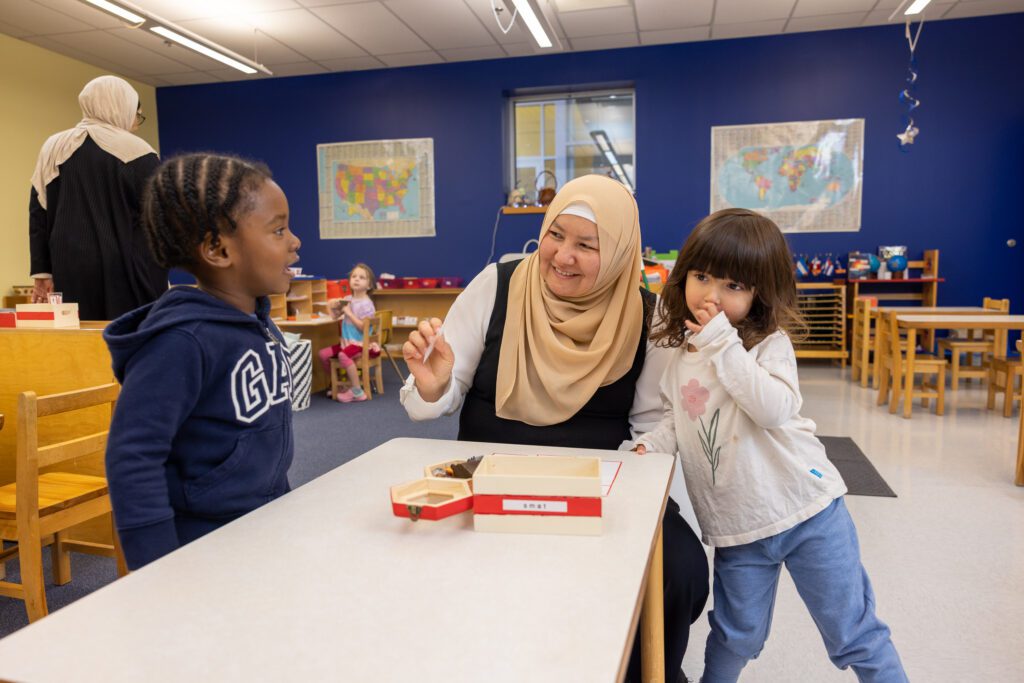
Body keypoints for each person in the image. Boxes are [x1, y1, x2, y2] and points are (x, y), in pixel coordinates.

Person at [400, 174, 709, 682]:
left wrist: (636, 461)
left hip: (596, 489)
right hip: (488, 481)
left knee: (678, 569)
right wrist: (435, 387)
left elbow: (654, 423)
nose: (563, 256)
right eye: (555, 235)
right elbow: (441, 386)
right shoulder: (497, 285)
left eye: (587, 245)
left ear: (617, 254)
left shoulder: (647, 316)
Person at [632, 208, 907, 682]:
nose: (712, 296)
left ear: (759, 292)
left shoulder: (767, 344)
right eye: (702, 277)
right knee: (736, 635)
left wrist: (723, 344)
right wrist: (645, 448)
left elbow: (774, 408)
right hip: (739, 531)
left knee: (853, 633)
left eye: (733, 286)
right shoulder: (681, 358)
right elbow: (677, 423)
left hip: (809, 514)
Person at [103, 153, 301, 570]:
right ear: (216, 248)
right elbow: (134, 455)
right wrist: (157, 568)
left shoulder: (256, 320)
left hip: (263, 522)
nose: (294, 241)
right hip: (202, 542)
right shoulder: (182, 340)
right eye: (278, 230)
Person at [29, 75, 167, 320]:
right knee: (129, 344)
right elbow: (159, 220)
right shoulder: (138, 151)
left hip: (69, 270)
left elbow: (39, 211)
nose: (135, 124)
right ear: (119, 107)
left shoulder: (53, 147)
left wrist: (43, 273)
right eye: (137, 116)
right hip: (128, 272)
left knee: (79, 346)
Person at [318, 263, 379, 402]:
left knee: (343, 355)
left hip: (361, 344)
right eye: (354, 276)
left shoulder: (367, 304)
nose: (356, 279)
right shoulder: (347, 299)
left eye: (362, 277)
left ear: (369, 285)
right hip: (347, 342)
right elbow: (334, 316)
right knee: (323, 354)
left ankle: (357, 391)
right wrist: (331, 305)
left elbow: (363, 328)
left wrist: (349, 312)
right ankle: (341, 385)